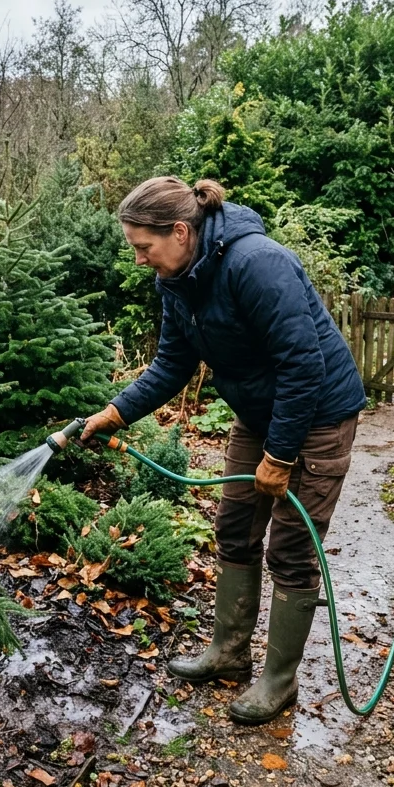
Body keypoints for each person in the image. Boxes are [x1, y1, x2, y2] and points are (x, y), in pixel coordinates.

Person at [80, 176, 367, 725]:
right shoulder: (177, 278)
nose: (140, 259)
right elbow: (171, 364)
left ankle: (279, 683)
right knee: (235, 528)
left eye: (145, 246)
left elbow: (303, 365)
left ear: (181, 231)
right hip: (259, 412)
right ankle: (229, 654)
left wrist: (280, 457)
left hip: (319, 414)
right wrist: (114, 413)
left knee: (291, 548)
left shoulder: (256, 263)